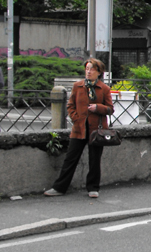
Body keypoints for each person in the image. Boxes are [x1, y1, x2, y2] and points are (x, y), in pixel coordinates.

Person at [44, 58, 114, 199]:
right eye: (87, 69)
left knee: (94, 160)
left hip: (96, 130)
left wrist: (97, 107)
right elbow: (70, 105)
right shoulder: (78, 86)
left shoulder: (104, 89)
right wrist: (76, 118)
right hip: (79, 128)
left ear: (99, 72)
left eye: (92, 69)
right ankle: (60, 187)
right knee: (71, 158)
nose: (88, 72)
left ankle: (93, 188)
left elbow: (110, 109)